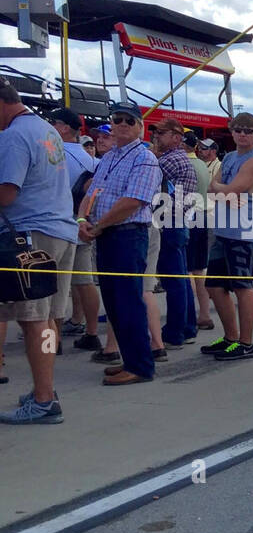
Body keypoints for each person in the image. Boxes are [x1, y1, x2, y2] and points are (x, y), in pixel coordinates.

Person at [0, 79, 79, 422]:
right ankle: (44, 389)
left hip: (31, 236)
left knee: (33, 320)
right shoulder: (45, 129)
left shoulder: (14, 136)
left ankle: (45, 399)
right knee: (45, 320)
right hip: (59, 232)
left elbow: (6, 193)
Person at [77, 100, 163, 386]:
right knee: (114, 302)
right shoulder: (110, 157)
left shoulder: (144, 158)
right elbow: (93, 191)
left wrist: (99, 225)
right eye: (118, 119)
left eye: (129, 120)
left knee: (128, 302)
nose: (122, 125)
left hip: (127, 234)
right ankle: (130, 359)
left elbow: (134, 201)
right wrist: (82, 220)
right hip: (109, 234)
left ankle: (140, 366)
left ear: (140, 126)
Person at [202, 112, 253, 361]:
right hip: (223, 229)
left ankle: (246, 342)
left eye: (248, 130)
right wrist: (225, 192)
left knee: (242, 286)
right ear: (232, 132)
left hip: (244, 232)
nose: (242, 134)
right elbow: (212, 188)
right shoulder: (229, 157)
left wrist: (224, 191)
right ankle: (231, 336)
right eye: (238, 129)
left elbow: (228, 189)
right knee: (215, 285)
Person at [49, 107, 101, 350]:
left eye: (54, 122)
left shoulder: (53, 152)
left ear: (65, 128)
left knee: (52, 286)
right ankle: (91, 332)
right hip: (82, 225)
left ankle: (53, 339)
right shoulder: (90, 158)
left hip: (56, 224)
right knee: (84, 280)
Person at [150, 118, 199, 350]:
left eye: (162, 133)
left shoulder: (168, 160)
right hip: (178, 222)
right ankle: (187, 328)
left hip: (168, 223)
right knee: (180, 278)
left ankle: (175, 332)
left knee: (174, 281)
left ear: (177, 138)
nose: (156, 136)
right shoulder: (179, 158)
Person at [182, 132, 213, 333]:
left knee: (186, 270)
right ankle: (204, 314)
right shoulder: (202, 164)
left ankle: (189, 315)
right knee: (199, 271)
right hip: (202, 217)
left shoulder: (186, 165)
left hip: (189, 217)